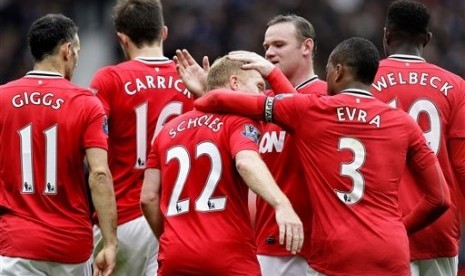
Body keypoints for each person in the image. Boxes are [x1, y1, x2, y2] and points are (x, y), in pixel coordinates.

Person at [194, 37, 451, 275]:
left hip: (334, 252)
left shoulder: (312, 110)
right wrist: (400, 228)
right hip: (389, 250)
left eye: (327, 70)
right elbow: (439, 198)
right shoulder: (403, 122)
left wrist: (207, 93)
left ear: (338, 71)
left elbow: (217, 100)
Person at [174, 14, 326, 275]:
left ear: (307, 47)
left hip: (311, 244)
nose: (269, 53)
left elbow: (297, 115)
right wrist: (210, 91)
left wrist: (273, 74)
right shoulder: (260, 101)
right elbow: (222, 135)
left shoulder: (324, 96)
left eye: (279, 45)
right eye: (266, 46)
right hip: (265, 241)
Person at [140, 56, 304, 275]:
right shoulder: (239, 122)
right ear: (235, 83)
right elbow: (246, 162)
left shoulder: (166, 130)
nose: (263, 95)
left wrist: (172, 238)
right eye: (258, 86)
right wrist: (281, 203)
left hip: (175, 257)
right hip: (228, 257)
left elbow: (148, 197)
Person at [0, 14, 117, 276]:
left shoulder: (2, 98)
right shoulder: (86, 103)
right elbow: (99, 174)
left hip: (17, 245)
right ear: (66, 51)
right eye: (77, 52)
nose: (76, 60)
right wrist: (109, 242)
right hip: (70, 248)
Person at [88, 0, 195, 275]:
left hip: (121, 220)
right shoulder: (191, 79)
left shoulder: (109, 78)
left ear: (122, 39)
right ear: (164, 33)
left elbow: (89, 145)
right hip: (175, 220)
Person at [371, 1, 465, 275]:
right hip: (438, 227)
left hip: (380, 225)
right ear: (427, 38)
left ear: (386, 35)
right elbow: (461, 166)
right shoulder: (457, 86)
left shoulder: (363, 82)